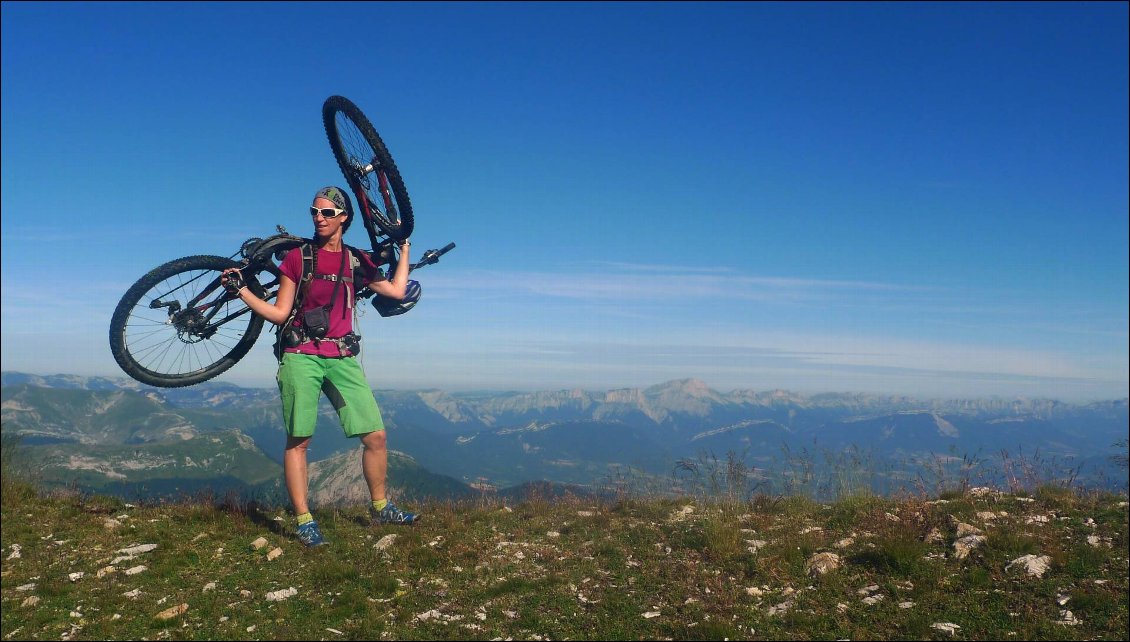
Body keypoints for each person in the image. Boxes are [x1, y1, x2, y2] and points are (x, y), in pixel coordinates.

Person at [222, 186, 419, 547]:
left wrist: (404, 252)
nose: (319, 218)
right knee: (299, 440)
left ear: (344, 217)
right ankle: (305, 520)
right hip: (301, 356)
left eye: (327, 213)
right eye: (314, 211)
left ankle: (381, 507)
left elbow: (394, 291)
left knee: (375, 436)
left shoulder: (357, 260)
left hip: (342, 357)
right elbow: (280, 313)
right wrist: (244, 293)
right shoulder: (299, 259)